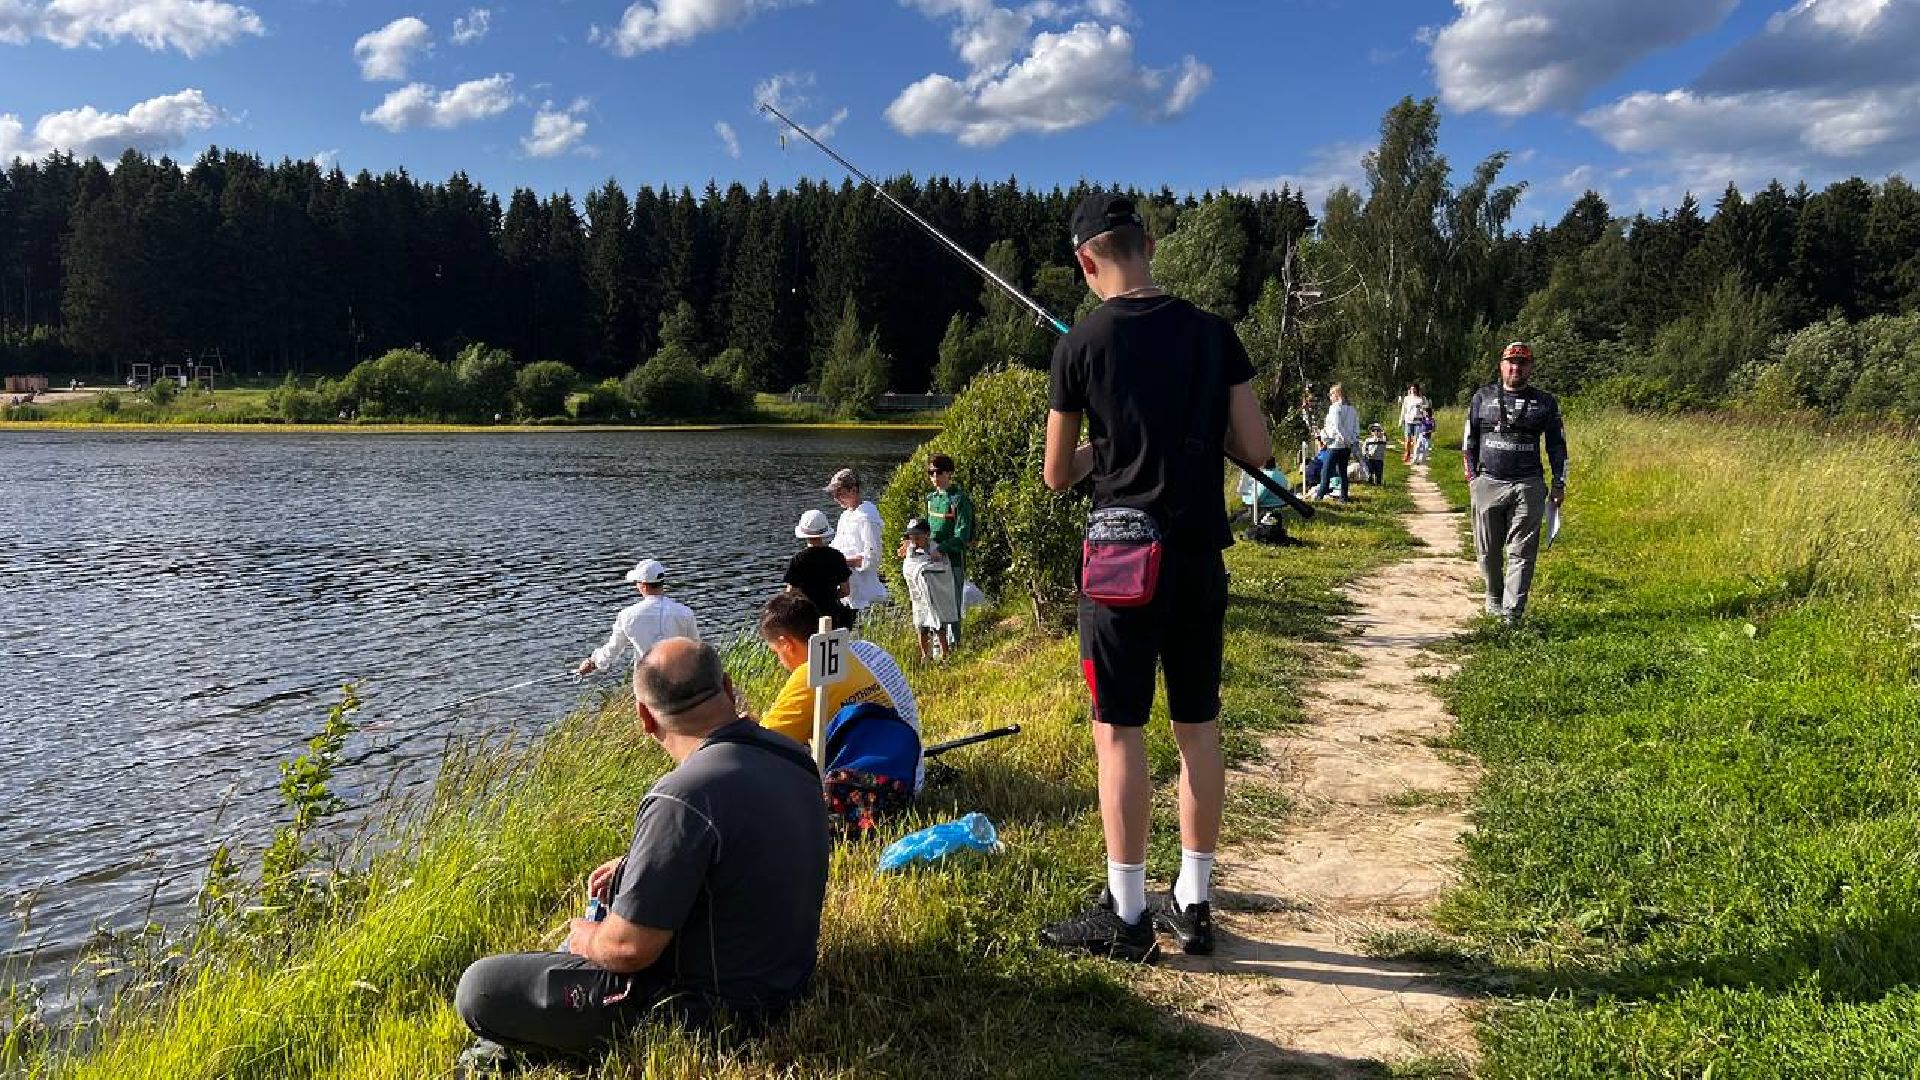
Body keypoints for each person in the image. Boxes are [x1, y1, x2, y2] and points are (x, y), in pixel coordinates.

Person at [1040, 191, 1272, 962]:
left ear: (1086, 261)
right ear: (1148, 245)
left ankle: (1131, 913)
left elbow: (1054, 475)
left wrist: (1110, 450)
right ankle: (1195, 902)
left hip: (1121, 568)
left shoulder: (1080, 345)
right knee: (1197, 728)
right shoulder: (1214, 334)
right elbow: (1258, 449)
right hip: (1200, 557)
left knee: (1120, 733)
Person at [453, 639, 829, 1066]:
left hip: (716, 1012)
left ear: (645, 717)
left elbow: (630, 950)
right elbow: (743, 846)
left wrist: (586, 938)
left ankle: (524, 1049)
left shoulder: (681, 796)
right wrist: (635, 865)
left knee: (481, 987)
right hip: (788, 978)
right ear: (727, 686)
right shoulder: (791, 753)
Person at [755, 593, 922, 789]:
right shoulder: (866, 648)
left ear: (786, 644)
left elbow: (759, 748)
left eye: (776, 653)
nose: (780, 662)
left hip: (870, 792)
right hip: (910, 772)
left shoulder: (808, 674)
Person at [1464, 341, 1568, 626]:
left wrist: (1559, 482)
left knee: (1522, 551)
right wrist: (1473, 479)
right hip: (1488, 483)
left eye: (1522, 363)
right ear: (1501, 365)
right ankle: (1494, 597)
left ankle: (1513, 613)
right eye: (1511, 362)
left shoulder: (1545, 402)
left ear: (1530, 367)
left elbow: (1557, 446)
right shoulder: (1482, 398)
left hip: (1528, 484)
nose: (1516, 368)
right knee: (1488, 549)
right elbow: (1468, 442)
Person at [576, 560, 700, 676]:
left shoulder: (627, 615)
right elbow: (696, 648)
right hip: (680, 678)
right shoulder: (684, 612)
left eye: (637, 582)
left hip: (646, 680)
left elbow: (613, 649)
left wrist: (592, 663)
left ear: (643, 586)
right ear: (662, 583)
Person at [924, 453, 974, 648]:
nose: (935, 477)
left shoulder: (959, 500)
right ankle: (939, 645)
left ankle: (955, 646)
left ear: (949, 473)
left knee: (952, 603)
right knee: (935, 603)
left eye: (939, 472)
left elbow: (963, 535)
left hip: (952, 560)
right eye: (931, 473)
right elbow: (925, 528)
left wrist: (943, 548)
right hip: (932, 559)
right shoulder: (931, 498)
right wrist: (911, 541)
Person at [824, 469, 888, 622]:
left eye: (840, 493)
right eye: (834, 494)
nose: (836, 499)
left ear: (853, 490)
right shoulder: (846, 515)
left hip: (865, 595)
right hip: (847, 591)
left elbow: (873, 556)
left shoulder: (867, 516)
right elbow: (837, 546)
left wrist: (843, 562)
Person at [783, 509, 855, 630]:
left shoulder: (798, 559)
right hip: (832, 614)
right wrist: (830, 597)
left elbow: (790, 592)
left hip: (806, 616)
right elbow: (845, 590)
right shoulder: (837, 556)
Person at [897, 518, 958, 661]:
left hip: (934, 594)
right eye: (911, 536)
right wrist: (918, 569)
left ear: (926, 534)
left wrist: (924, 568)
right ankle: (926, 657)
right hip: (918, 596)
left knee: (938, 625)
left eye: (917, 536)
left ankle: (945, 655)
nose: (914, 540)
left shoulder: (935, 549)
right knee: (921, 626)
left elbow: (943, 568)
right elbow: (908, 568)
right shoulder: (910, 550)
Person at [1313, 384, 1359, 503]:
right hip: (1346, 447)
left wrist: (1344, 439)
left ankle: (1319, 496)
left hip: (1335, 445)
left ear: (1337, 394)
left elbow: (1337, 427)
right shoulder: (1352, 410)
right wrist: (1352, 441)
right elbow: (1356, 428)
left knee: (1326, 471)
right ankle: (1344, 497)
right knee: (1343, 472)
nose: (1330, 397)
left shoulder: (1334, 408)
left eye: (1331, 394)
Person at [1399, 381, 1430, 463]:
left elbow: (1426, 409)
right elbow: (1403, 410)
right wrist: (1401, 420)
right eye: (1411, 388)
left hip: (1418, 422)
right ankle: (1407, 454)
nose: (1413, 390)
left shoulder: (1422, 399)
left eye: (1414, 388)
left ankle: (1415, 455)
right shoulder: (1407, 398)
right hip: (1408, 421)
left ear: (1417, 389)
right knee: (1408, 440)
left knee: (1416, 440)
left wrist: (1424, 415)